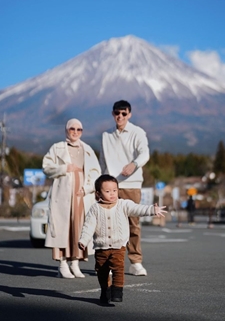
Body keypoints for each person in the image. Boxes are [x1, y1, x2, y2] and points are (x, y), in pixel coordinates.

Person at [78, 175, 167, 305]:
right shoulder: (94, 209)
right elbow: (88, 226)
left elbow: (138, 209)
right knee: (101, 270)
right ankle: (105, 290)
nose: (112, 194)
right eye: (107, 191)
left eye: (115, 190)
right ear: (98, 193)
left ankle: (117, 292)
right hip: (101, 247)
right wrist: (83, 240)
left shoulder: (123, 204)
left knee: (118, 268)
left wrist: (152, 210)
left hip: (118, 246)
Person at [43, 118, 101, 279]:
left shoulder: (87, 149)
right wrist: (64, 168)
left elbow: (96, 172)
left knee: (80, 228)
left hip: (81, 195)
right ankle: (62, 264)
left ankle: (75, 264)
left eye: (79, 129)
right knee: (63, 228)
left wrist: (87, 188)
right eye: (72, 129)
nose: (75, 132)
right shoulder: (57, 148)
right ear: (66, 130)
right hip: (63, 194)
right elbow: (46, 167)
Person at [100, 100, 150, 276]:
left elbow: (145, 153)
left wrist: (134, 164)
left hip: (131, 184)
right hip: (110, 185)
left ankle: (135, 261)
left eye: (123, 113)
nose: (119, 116)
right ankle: (112, 262)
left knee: (133, 224)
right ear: (112, 114)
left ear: (129, 114)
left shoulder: (137, 132)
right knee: (109, 226)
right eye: (116, 113)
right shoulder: (106, 135)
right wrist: (99, 182)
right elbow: (102, 160)